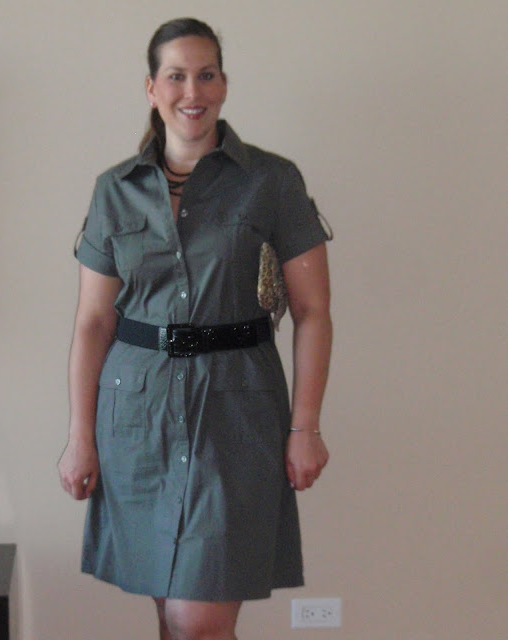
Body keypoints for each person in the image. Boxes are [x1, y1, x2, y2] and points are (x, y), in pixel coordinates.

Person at [58, 17, 332, 640]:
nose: (192, 91)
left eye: (206, 75)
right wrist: (81, 437)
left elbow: (313, 311)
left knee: (196, 621)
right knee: (169, 616)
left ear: (224, 85)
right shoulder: (114, 191)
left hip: (235, 413)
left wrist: (306, 428)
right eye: (176, 76)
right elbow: (93, 322)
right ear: (151, 89)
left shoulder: (272, 181)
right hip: (136, 416)